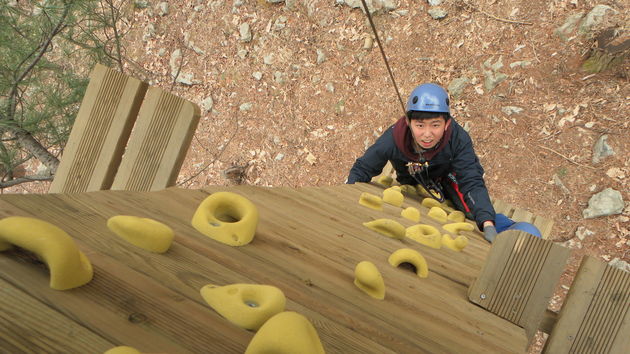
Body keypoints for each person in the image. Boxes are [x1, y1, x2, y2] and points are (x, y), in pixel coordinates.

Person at [346, 83, 504, 242]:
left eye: (435, 125)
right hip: (412, 180)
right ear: (409, 122)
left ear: (447, 124)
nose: (427, 134)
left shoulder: (457, 139)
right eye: (420, 125)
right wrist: (348, 198)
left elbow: (471, 180)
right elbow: (362, 168)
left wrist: (488, 224)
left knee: (471, 211)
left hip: (447, 175)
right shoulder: (394, 139)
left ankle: (505, 226)